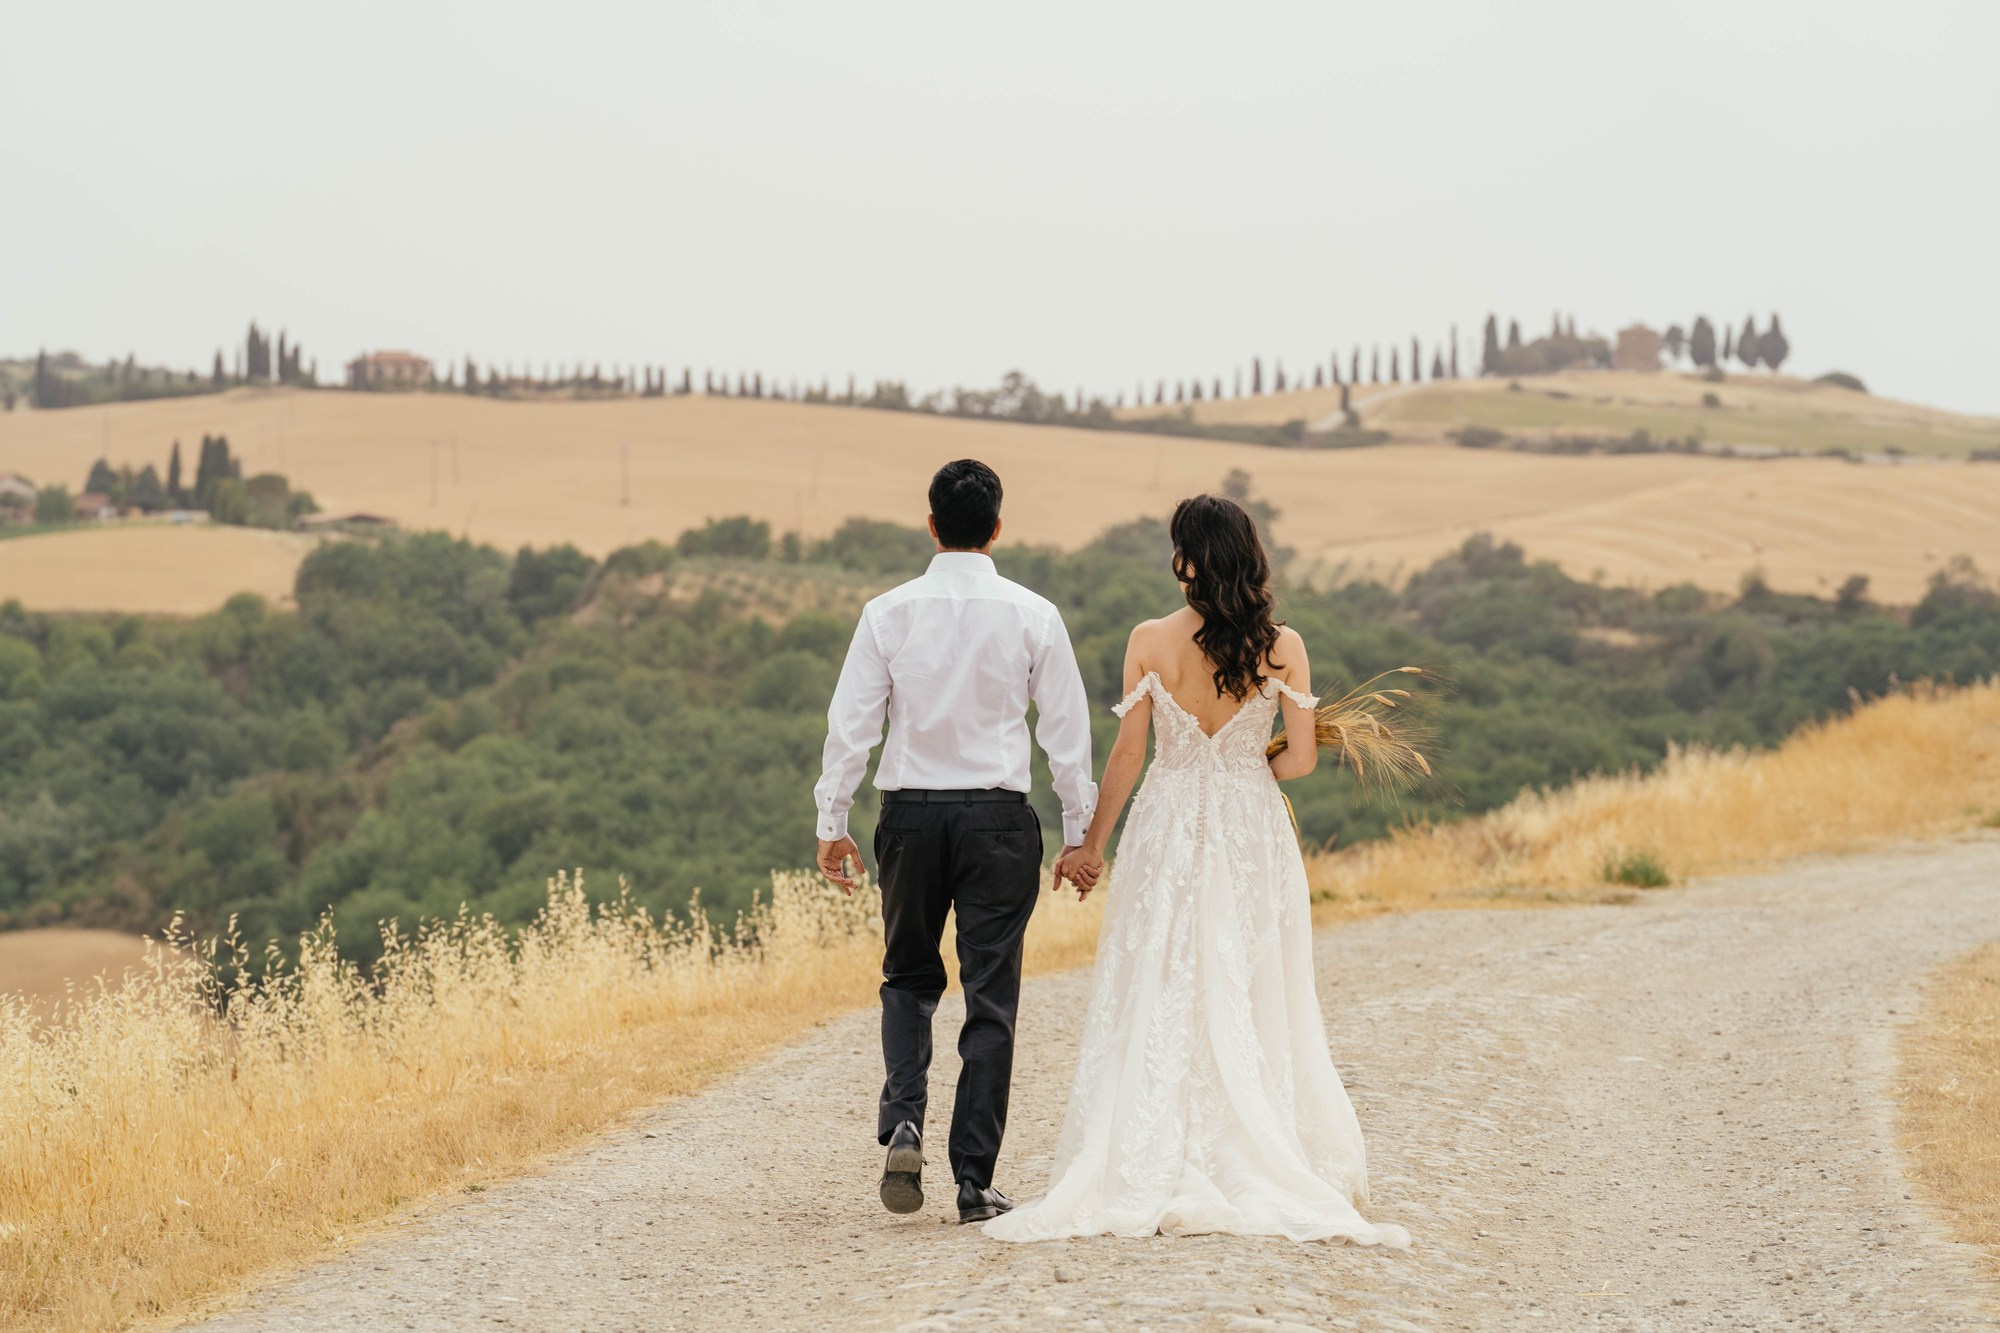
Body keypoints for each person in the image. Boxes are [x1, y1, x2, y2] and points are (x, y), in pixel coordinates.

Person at [985, 493, 1410, 1248]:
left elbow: (1128, 754)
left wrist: (1089, 845)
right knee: (1246, 976)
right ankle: (1253, 1143)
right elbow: (1304, 760)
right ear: (1249, 556)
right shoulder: (1285, 646)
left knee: (1160, 970)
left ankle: (1150, 1143)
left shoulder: (1149, 640)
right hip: (1251, 826)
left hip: (1167, 823)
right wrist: (1253, 763)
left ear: (1185, 560)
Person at [813, 458, 1096, 1225]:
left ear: (931, 524)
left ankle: (903, 1117)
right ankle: (974, 1179)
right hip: (999, 819)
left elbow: (852, 726)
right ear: (997, 528)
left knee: (908, 975)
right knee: (990, 994)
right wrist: (1079, 835)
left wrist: (831, 822)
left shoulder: (887, 612)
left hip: (910, 813)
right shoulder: (1035, 614)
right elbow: (1066, 734)